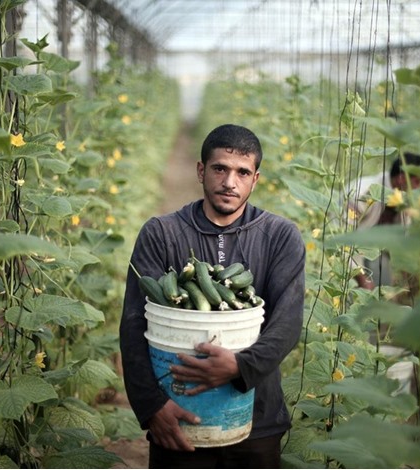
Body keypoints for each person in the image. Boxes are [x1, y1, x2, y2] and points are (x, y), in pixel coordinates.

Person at [119, 124, 306, 468]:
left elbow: (287, 322)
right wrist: (150, 408)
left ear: (255, 179)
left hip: (256, 420)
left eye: (242, 172)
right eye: (220, 168)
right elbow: (134, 325)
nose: (230, 182)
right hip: (176, 416)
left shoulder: (280, 236)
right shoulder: (162, 233)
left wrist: (239, 366)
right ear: (201, 170)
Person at [344, 152, 420, 290]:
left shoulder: (406, 199)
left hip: (377, 251)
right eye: (417, 182)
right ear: (401, 179)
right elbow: (342, 241)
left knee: (383, 289)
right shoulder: (361, 193)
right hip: (351, 250)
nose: (419, 188)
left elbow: (401, 241)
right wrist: (361, 278)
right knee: (356, 296)